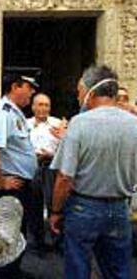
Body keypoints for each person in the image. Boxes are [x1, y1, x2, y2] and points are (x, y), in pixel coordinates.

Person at [50, 65, 137, 279]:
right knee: (118, 270)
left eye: (80, 91)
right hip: (119, 207)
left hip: (84, 207)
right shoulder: (134, 125)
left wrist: (56, 210)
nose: (79, 97)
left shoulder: (79, 124)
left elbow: (65, 176)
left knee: (78, 268)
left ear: (91, 92)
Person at [0, 73, 38, 278]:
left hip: (19, 186)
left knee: (16, 236)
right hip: (10, 187)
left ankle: (14, 273)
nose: (32, 92)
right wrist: (0, 180)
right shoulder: (4, 113)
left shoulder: (14, 112)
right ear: (15, 87)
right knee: (4, 240)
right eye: (29, 87)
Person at [27, 93, 64, 252]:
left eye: (46, 105)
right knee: (34, 204)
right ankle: (37, 242)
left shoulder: (58, 124)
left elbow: (67, 150)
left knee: (54, 203)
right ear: (33, 107)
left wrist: (51, 155)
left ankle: (58, 240)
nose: (43, 108)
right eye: (40, 105)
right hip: (32, 167)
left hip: (52, 167)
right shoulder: (25, 124)